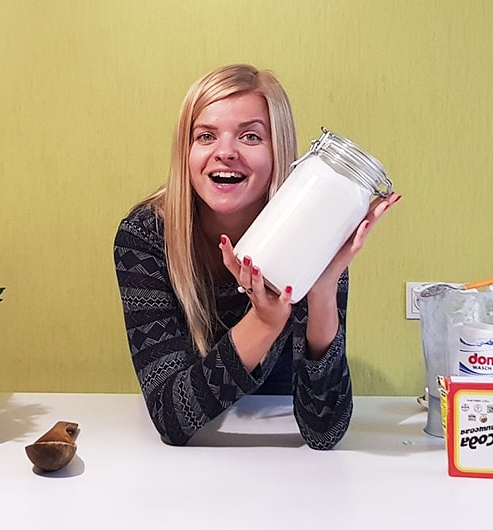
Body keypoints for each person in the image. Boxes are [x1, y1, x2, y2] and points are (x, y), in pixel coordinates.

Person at [113, 64, 400, 449]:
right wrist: (264, 322)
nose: (225, 152)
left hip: (284, 469)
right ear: (186, 150)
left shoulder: (314, 236)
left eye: (250, 136)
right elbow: (171, 418)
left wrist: (323, 289)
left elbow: (324, 431)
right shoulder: (146, 237)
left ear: (279, 151)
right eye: (206, 136)